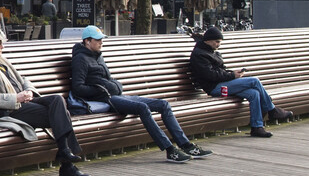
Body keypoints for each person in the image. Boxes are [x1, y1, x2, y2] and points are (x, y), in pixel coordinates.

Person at [70, 26, 212, 162]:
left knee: (164, 104)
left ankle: (186, 145)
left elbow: (108, 79)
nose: (101, 42)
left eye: (102, 39)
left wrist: (116, 85)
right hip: (106, 100)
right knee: (142, 108)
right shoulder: (80, 59)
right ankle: (170, 150)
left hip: (118, 95)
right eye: (97, 39)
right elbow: (78, 88)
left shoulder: (97, 56)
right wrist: (101, 89)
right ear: (87, 41)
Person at [0, 27, 88, 176]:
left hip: (23, 102)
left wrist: (29, 90)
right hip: (8, 110)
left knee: (57, 100)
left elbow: (23, 79)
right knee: (61, 115)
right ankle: (67, 163)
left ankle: (65, 153)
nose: (3, 47)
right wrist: (15, 98)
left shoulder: (1, 61)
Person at [188, 27, 296, 138]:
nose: (218, 44)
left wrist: (234, 73)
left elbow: (220, 71)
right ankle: (272, 110)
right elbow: (210, 75)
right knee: (254, 81)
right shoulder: (199, 54)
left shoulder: (211, 52)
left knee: (254, 94)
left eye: (219, 42)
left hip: (222, 84)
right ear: (208, 40)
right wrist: (232, 75)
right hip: (215, 88)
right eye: (217, 42)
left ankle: (257, 128)